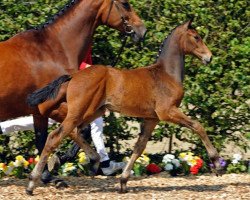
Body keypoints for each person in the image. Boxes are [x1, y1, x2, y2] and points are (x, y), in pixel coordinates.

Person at [0, 46, 126, 176]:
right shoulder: (79, 39)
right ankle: (102, 162)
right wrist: (95, 70)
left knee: (50, 118)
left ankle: (94, 160)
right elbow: (71, 62)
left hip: (83, 87)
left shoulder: (87, 42)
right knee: (49, 117)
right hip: (72, 87)